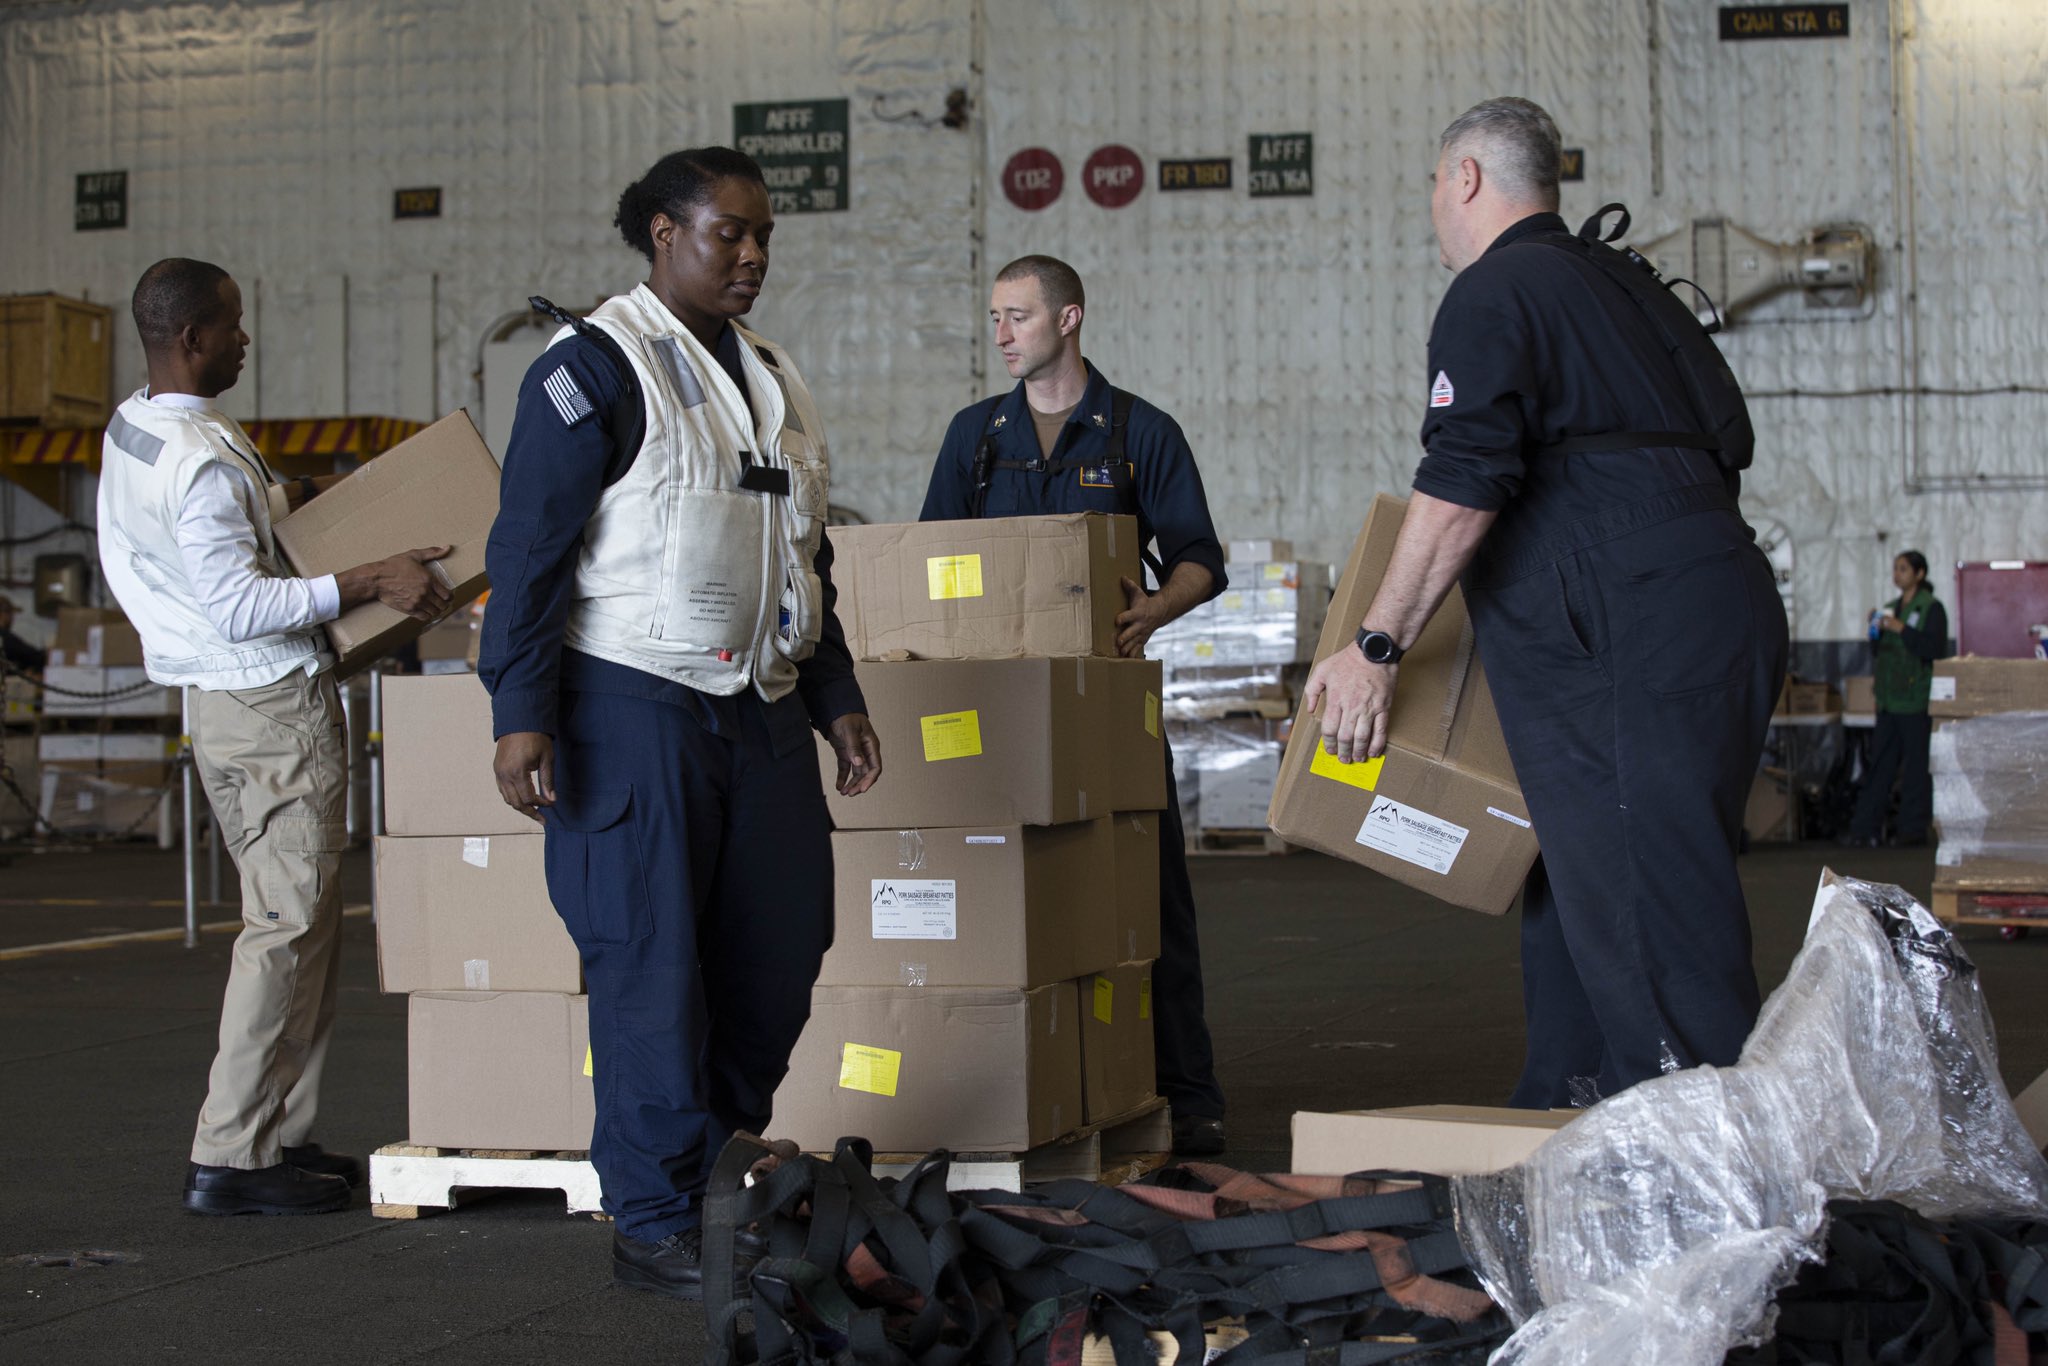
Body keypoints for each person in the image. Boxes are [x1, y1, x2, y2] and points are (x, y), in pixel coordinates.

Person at [1305, 98, 1789, 1110]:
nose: (1433, 205)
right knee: (1580, 881)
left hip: (1626, 617)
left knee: (1645, 905)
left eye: (1434, 183)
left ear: (1467, 177)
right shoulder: (1623, 284)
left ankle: (1704, 1166)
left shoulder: (1496, 289)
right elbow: (1724, 442)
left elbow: (1462, 481)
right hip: (1716, 596)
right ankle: (1569, 1113)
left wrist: (1376, 645)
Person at [479, 147, 884, 1301]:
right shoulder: (592, 367)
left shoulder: (771, 373)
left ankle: (712, 1164)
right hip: (629, 707)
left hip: (759, 709)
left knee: (781, 945)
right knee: (651, 971)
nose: (752, 255)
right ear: (663, 233)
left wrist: (836, 696)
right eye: (728, 233)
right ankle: (654, 1217)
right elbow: (529, 549)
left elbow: (800, 554)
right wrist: (520, 710)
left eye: (764, 237)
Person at [97, 258, 452, 1214]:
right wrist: (372, 578)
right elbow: (242, 602)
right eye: (233, 325)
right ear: (192, 339)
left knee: (305, 923)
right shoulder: (202, 461)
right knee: (286, 928)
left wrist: (327, 494)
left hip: (225, 705)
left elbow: (226, 529)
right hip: (267, 709)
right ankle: (232, 1155)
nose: (245, 340)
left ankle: (278, 1132)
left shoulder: (141, 424)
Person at [921, 255, 1230, 1155]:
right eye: (994, 317)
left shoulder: (1139, 433)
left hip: (1107, 708)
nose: (1001, 333)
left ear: (1069, 319)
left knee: (1151, 899)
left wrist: (1157, 607)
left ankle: (1187, 1094)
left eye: (1017, 316)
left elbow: (1202, 558)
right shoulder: (976, 437)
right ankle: (1025, 1091)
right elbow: (931, 560)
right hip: (1000, 707)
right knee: (1009, 895)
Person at [1847, 551, 1948, 847]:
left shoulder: (1932, 608)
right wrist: (1875, 630)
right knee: (1880, 765)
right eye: (1895, 569)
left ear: (1919, 573)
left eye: (1903, 569)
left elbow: (1933, 648)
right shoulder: (1890, 608)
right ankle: (1865, 828)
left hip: (1915, 701)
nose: (1897, 574)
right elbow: (1878, 651)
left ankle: (1912, 829)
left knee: (1916, 768)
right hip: (1889, 700)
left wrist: (1901, 629)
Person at [0, 595, 46, 675]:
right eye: (11, 614)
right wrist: (49, 653)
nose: (12, 619)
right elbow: (35, 657)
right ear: (4, 615)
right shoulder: (6, 637)